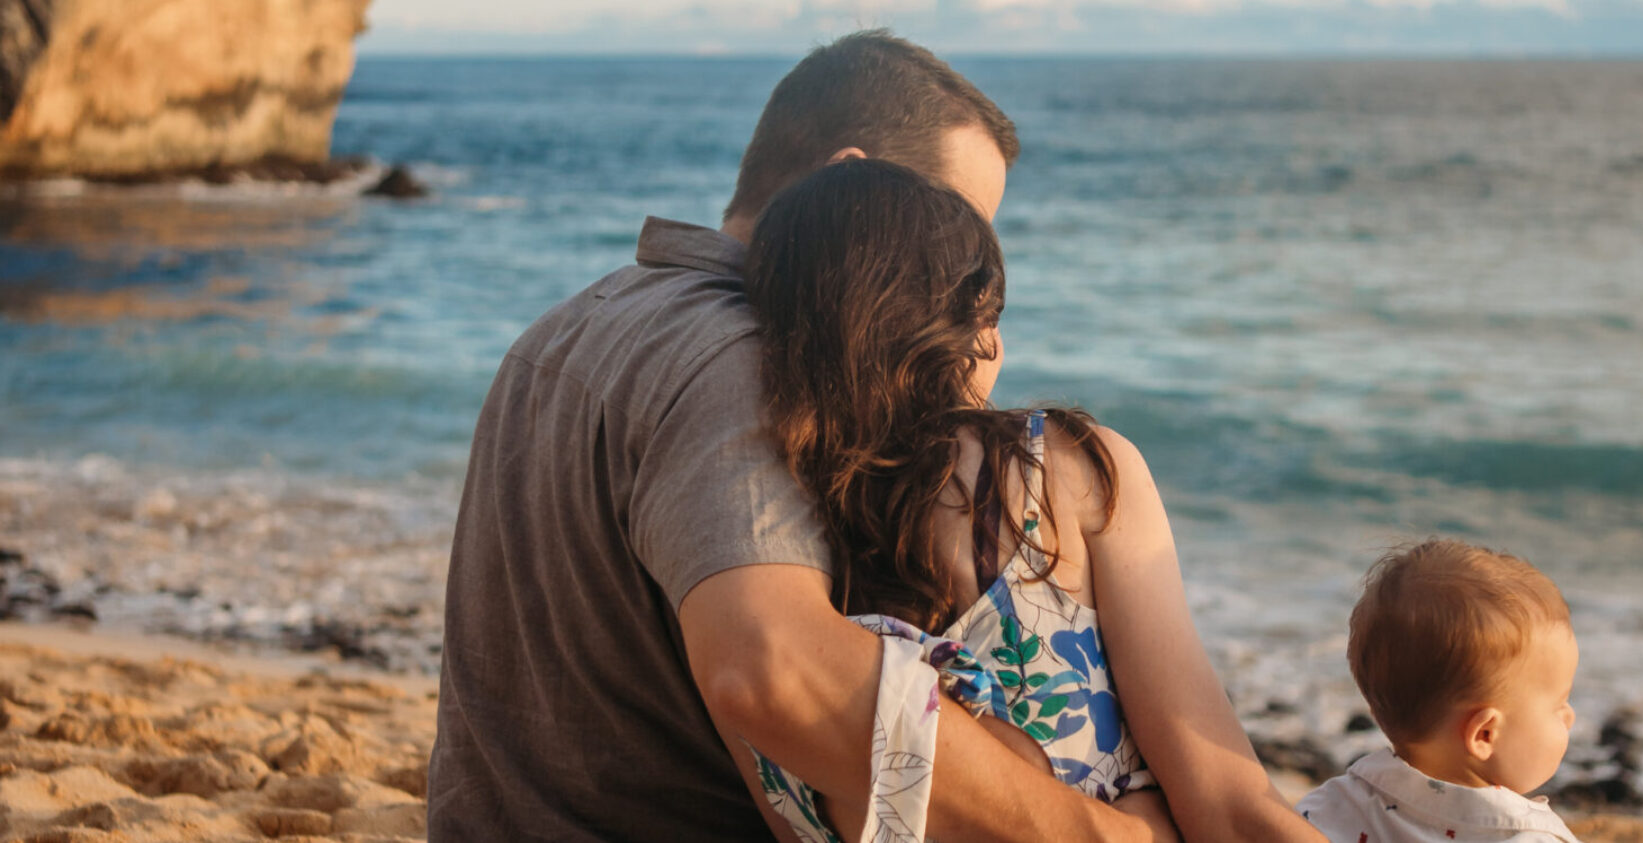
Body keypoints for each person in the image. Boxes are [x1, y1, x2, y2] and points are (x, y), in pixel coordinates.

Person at [428, 30, 1171, 841]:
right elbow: (770, 666)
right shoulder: (740, 357)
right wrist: (1107, 834)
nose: (959, 278)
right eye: (948, 221)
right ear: (850, 182)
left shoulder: (573, 322)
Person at [736, 158, 1327, 843]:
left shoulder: (755, 577)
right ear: (970, 328)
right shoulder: (1061, 471)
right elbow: (1226, 801)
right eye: (991, 315)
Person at [1297, 539, 1581, 843]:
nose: (1570, 717)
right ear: (1484, 734)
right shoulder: (1527, 837)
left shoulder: (1327, 809)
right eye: (1558, 704)